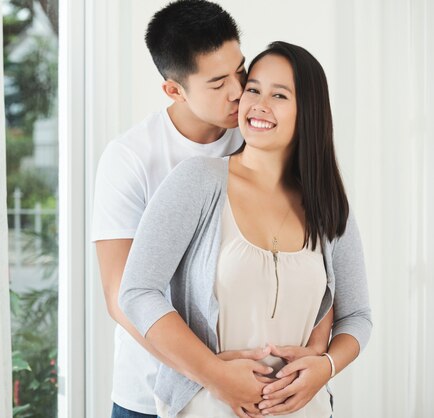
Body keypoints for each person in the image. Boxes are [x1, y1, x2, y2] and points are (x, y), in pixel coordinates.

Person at [92, 1, 333, 417]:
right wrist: (209, 373)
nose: (239, 92)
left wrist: (312, 362)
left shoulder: (258, 137)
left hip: (258, 388)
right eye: (218, 82)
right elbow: (121, 296)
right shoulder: (131, 157)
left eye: (240, 70)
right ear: (174, 89)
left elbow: (319, 267)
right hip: (151, 390)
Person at [119, 41, 372, 418]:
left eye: (279, 95)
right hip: (208, 407)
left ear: (309, 111)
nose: (258, 104)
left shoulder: (328, 204)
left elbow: (357, 317)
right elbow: (137, 292)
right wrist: (216, 375)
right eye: (253, 88)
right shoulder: (198, 181)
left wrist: (327, 367)